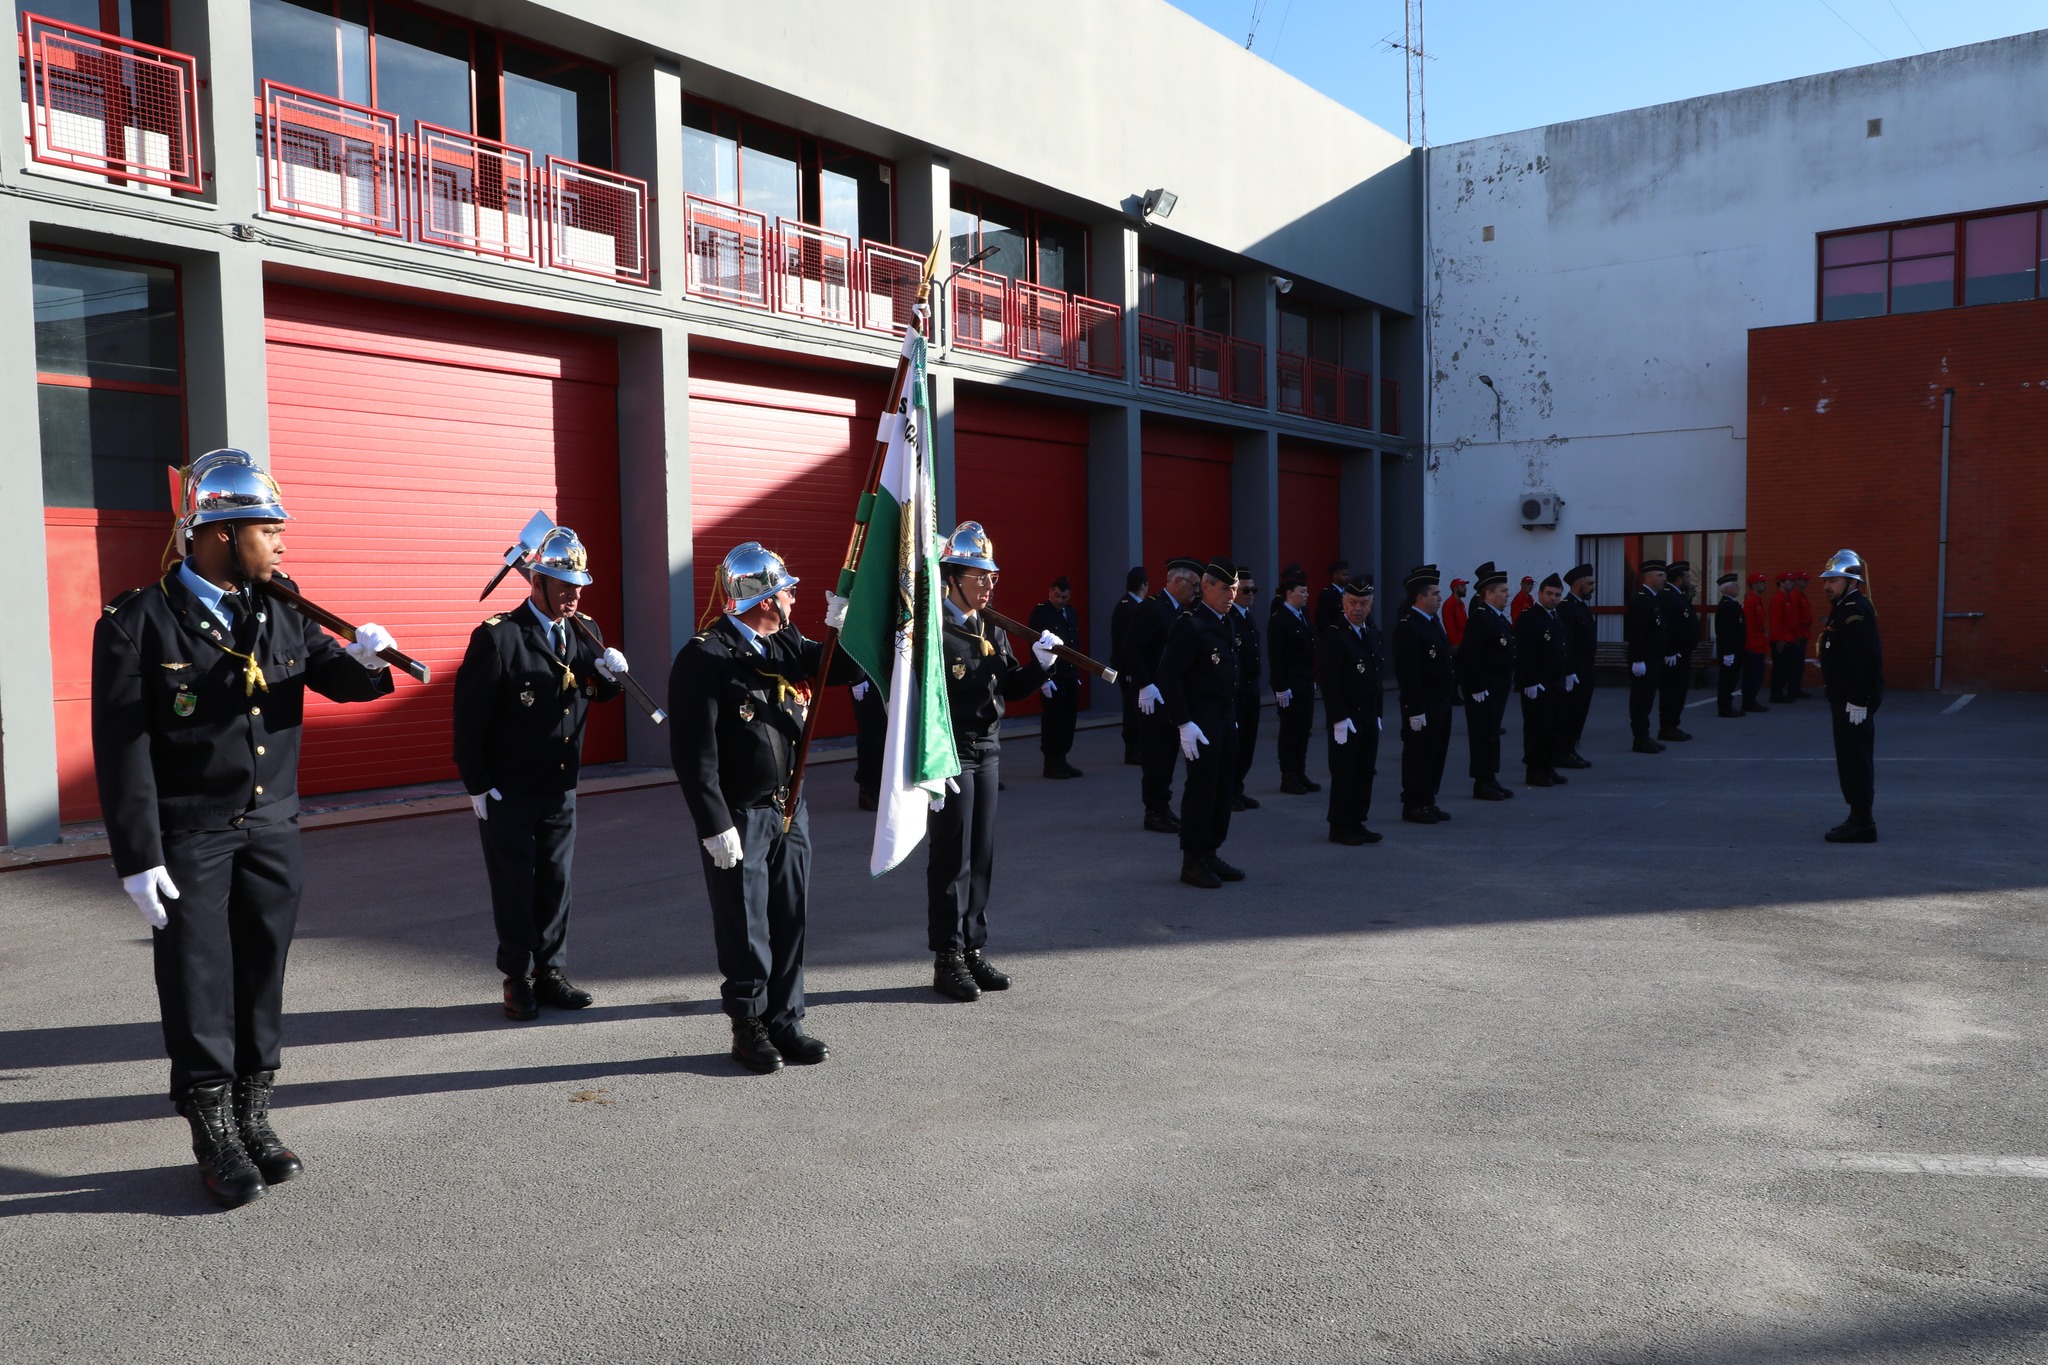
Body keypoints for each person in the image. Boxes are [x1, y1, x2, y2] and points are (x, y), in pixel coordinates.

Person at [92, 449, 401, 1208]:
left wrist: (369, 657)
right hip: (191, 833)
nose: (284, 545)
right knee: (198, 982)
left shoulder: (282, 604)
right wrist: (138, 855)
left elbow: (337, 676)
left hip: (271, 826)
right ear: (222, 533)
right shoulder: (140, 622)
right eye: (271, 530)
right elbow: (122, 749)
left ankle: (255, 1114)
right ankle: (212, 1131)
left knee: (262, 972)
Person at [668, 542, 860, 1073]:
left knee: (790, 916)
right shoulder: (706, 656)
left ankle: (786, 1019)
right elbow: (693, 754)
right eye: (788, 590)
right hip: (740, 813)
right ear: (766, 599)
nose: (796, 596)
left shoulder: (785, 641)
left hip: (789, 808)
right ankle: (748, 1024)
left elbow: (833, 669)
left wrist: (846, 627)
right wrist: (713, 824)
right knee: (746, 922)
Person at [453, 523, 626, 1021]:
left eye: (578, 586)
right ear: (537, 582)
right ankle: (517, 977)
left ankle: (551, 971)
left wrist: (612, 674)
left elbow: (595, 688)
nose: (573, 595)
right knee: (515, 884)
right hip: (509, 788)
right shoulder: (501, 637)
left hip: (560, 782)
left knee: (555, 881)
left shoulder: (583, 629)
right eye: (563, 584)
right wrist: (478, 784)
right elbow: (470, 717)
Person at [928, 523, 1062, 1000]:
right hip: (952, 754)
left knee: (981, 854)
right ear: (953, 578)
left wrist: (1039, 665)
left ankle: (972, 949)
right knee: (951, 859)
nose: (988, 585)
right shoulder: (932, 633)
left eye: (992, 576)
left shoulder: (992, 627)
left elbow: (1010, 687)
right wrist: (929, 766)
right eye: (979, 576)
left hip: (988, 750)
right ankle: (947, 955)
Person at [1157, 556, 1244, 889]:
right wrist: (1183, 723)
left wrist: (1231, 715)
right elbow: (1169, 674)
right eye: (1224, 588)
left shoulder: (1226, 621)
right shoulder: (1190, 624)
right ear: (1205, 586)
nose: (1231, 595)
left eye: (1234, 589)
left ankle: (1210, 852)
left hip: (1223, 717)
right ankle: (1192, 859)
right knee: (1202, 788)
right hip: (1200, 721)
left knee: (1223, 788)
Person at [1124, 559, 1202, 834]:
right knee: (1156, 754)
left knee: (1168, 751)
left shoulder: (1177, 610)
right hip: (1152, 696)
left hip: (1167, 694)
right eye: (1194, 584)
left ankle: (1163, 806)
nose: (1196, 591)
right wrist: (1145, 685)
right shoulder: (1153, 607)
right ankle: (1154, 810)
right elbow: (1131, 648)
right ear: (1177, 582)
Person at [1816, 550, 1883, 843]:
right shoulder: (1844, 605)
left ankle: (1862, 821)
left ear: (1851, 581)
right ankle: (1858, 816)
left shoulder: (1854, 609)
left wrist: (1858, 698)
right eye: (1827, 579)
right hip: (1843, 697)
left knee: (1855, 759)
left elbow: (1866, 659)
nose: (1827, 585)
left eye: (1834, 579)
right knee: (1849, 757)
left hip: (1852, 701)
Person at [1319, 576, 1385, 845]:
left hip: (1367, 715)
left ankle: (1357, 820)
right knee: (1345, 773)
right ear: (1343, 603)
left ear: (1371, 605)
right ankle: (1340, 825)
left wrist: (1378, 713)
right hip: (1347, 718)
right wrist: (1339, 718)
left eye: (1364, 603)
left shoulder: (1370, 632)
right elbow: (1329, 681)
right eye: (1353, 602)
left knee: (1364, 771)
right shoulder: (1335, 635)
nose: (1358, 608)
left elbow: (1376, 677)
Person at [1391, 565, 1457, 825]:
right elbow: (1409, 673)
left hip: (1440, 700)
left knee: (1436, 752)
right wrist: (1415, 709)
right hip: (1424, 703)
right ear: (1420, 597)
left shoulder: (1431, 622)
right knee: (1419, 754)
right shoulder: (1409, 626)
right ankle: (1414, 803)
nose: (1440, 598)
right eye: (1436, 594)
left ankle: (1428, 799)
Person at [1455, 561, 1516, 802]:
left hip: (1497, 686)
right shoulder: (1481, 617)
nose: (1507, 594)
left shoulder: (1497, 617)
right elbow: (1470, 654)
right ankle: (1482, 781)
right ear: (1488, 594)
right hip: (1485, 688)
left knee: (1492, 733)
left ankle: (1491, 777)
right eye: (1502, 591)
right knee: (1483, 735)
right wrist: (1478, 686)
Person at [1268, 568, 1320, 796]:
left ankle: (1300, 772)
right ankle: (1288, 776)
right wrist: (1280, 687)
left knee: (1303, 729)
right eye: (1303, 591)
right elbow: (1276, 657)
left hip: (1306, 682)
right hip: (1290, 685)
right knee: (1290, 731)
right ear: (1290, 593)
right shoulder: (1280, 620)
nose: (1307, 595)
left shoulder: (1303, 615)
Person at [1514, 573, 1569, 787]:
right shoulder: (1530, 617)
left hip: (1556, 681)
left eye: (1557, 594)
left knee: (1555, 726)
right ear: (1539, 593)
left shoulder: (1556, 616)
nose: (1553, 598)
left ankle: (1548, 766)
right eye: (1549, 593)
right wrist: (1529, 681)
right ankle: (1535, 770)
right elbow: (1525, 652)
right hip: (1538, 683)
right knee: (1538, 728)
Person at [1028, 575, 1084, 780]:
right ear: (1050, 593)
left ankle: (1062, 760)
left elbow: (1074, 644)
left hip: (1069, 674)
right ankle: (1050, 763)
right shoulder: (1041, 614)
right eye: (1057, 596)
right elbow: (1033, 646)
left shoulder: (1071, 613)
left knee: (1068, 720)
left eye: (1065, 597)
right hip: (1053, 676)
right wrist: (1043, 679)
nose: (1060, 600)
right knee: (1053, 721)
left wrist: (1076, 672)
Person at [1624, 558, 1669, 754]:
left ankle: (1645, 735)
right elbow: (1637, 632)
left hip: (1653, 657)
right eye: (1660, 575)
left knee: (1648, 698)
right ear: (1648, 577)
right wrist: (1638, 659)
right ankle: (1640, 738)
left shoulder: (1652, 599)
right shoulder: (1641, 599)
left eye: (1664, 576)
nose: (1663, 580)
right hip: (1645, 659)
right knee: (1641, 699)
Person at [1555, 564, 1598, 768]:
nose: (1593, 587)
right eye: (1589, 584)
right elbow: (1567, 642)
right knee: (1571, 712)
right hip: (1575, 671)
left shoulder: (1580, 605)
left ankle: (1570, 748)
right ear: (1577, 585)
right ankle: (1563, 751)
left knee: (1580, 711)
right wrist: (1569, 671)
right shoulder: (1567, 607)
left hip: (1585, 669)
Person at [1229, 567, 1263, 810]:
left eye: (1253, 590)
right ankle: (1228, 792)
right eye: (1245, 590)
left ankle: (1237, 788)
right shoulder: (1230, 616)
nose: (1250, 594)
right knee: (1235, 744)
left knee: (1248, 743)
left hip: (1251, 688)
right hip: (1237, 690)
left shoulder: (1247, 616)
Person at [1109, 567, 1148, 764]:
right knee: (1132, 710)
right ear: (1143, 585)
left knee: (1137, 709)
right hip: (1129, 671)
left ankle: (1138, 747)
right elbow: (1126, 643)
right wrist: (1130, 671)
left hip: (1132, 669)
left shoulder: (1134, 605)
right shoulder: (1128, 607)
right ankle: (1133, 750)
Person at [1657, 559, 1697, 742]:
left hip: (1682, 653)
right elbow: (1668, 626)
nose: (1690, 579)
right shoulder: (1668, 597)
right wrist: (1671, 650)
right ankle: (1668, 726)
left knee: (1679, 692)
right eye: (1687, 576)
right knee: (1672, 692)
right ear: (1679, 578)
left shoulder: (1679, 595)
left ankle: (1673, 724)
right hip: (1674, 656)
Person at [849, 666, 885, 810]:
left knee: (885, 736)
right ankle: (868, 790)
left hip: (886, 676)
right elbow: (850, 646)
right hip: (868, 679)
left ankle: (882, 787)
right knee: (872, 736)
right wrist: (856, 678)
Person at [1712, 571, 1747, 719]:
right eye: (1735, 585)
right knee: (1727, 680)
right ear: (1726, 589)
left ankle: (1728, 706)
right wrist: (1728, 652)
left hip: (1735, 649)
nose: (1738, 587)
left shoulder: (1732, 604)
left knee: (1731, 679)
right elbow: (1725, 631)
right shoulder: (1726, 606)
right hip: (1730, 651)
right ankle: (1725, 708)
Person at [1742, 573, 1772, 713]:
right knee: (1753, 675)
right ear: (1754, 584)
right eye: (1761, 582)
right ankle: (1748, 701)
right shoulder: (1751, 601)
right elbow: (1748, 625)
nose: (1764, 585)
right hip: (1754, 644)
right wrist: (1749, 645)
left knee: (1757, 674)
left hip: (1758, 643)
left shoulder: (1756, 600)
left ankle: (1751, 700)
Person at [1768, 570, 1800, 703]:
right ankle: (1776, 693)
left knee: (1785, 667)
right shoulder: (1778, 598)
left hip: (1788, 638)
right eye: (1790, 581)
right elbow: (1775, 621)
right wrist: (1779, 640)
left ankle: (1779, 692)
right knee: (1780, 668)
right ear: (1781, 583)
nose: (1793, 583)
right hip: (1782, 640)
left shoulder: (1787, 597)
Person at [1792, 570, 1817, 700]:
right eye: (1803, 580)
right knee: (1796, 663)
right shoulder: (1795, 595)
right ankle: (1794, 689)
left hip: (1803, 632)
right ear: (1797, 581)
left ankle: (1796, 688)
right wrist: (1797, 634)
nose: (1806, 582)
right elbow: (1795, 617)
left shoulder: (1801, 595)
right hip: (1799, 633)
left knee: (1798, 662)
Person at [1316, 560, 1350, 633]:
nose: (1347, 577)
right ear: (1335, 575)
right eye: (1344, 575)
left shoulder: (1347, 594)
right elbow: (1322, 621)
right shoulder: (1328, 594)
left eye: (1347, 575)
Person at [1442, 577, 1470, 648]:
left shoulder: (1461, 604)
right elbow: (1449, 627)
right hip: (1457, 645)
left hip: (1464, 642)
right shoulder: (1449, 604)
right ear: (1455, 588)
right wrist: (1455, 644)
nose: (1465, 588)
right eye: (1462, 586)